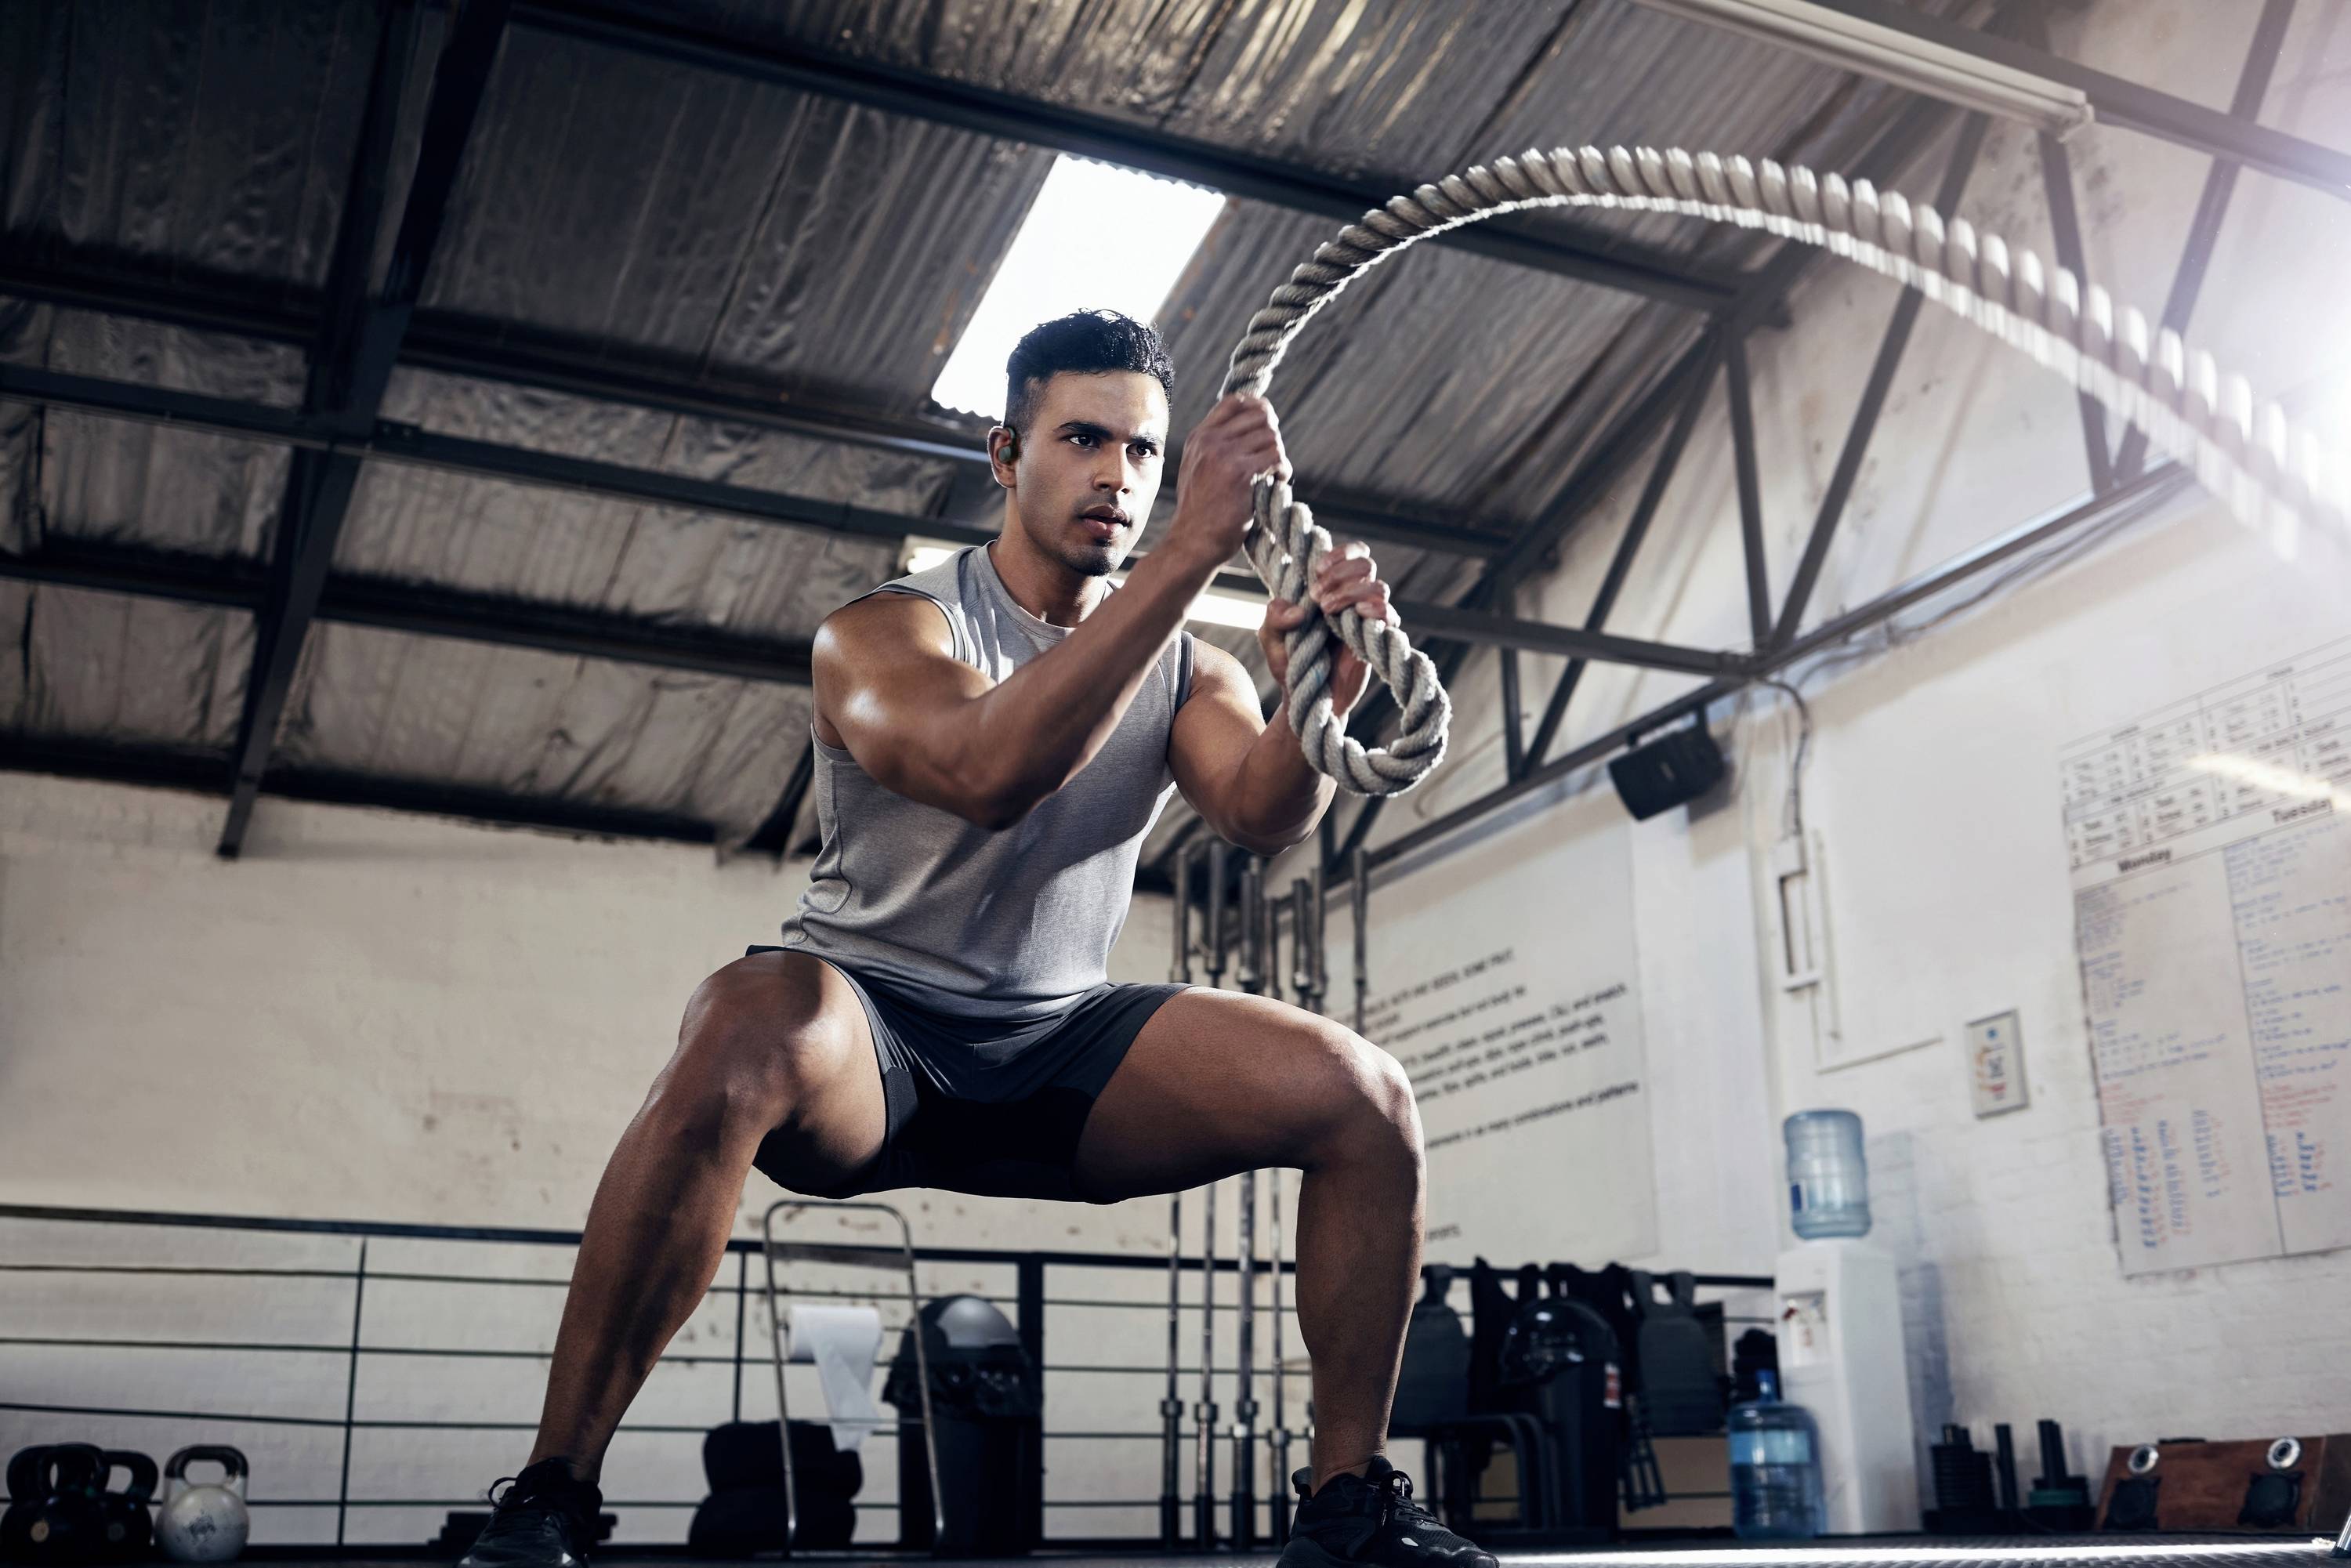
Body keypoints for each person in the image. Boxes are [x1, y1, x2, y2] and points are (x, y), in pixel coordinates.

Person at [459, 310, 1491, 1568]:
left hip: (1059, 1043)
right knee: (745, 1020)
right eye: (1083, 438)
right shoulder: (888, 631)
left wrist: (1315, 697)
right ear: (1007, 455)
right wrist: (1186, 556)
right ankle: (553, 1491)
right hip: (872, 1035)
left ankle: (1347, 1504)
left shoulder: (1189, 667)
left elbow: (1262, 811)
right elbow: (984, 765)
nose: (1118, 474)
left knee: (1366, 1095)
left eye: (1145, 451)